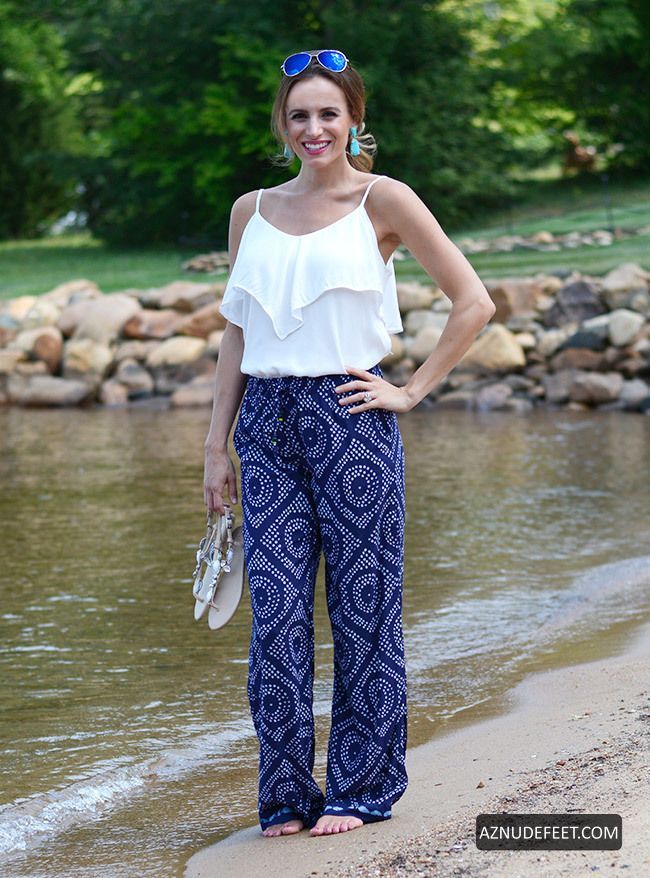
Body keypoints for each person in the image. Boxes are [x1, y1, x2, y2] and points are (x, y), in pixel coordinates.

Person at [203, 48, 496, 839]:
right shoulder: (250, 211)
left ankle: (361, 788)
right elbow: (237, 331)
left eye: (328, 113)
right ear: (282, 124)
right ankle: (286, 794)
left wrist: (409, 390)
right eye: (299, 114)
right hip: (265, 426)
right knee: (276, 618)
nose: (314, 128)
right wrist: (214, 446)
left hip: (351, 417)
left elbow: (473, 302)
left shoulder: (383, 199)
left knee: (364, 612)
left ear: (353, 120)